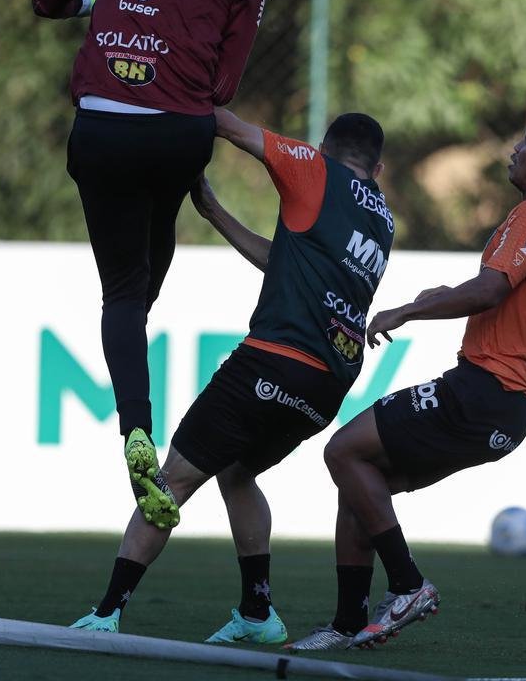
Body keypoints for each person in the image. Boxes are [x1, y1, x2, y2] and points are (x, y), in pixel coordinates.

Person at [70, 106, 395, 643]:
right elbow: (286, 262)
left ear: (322, 148)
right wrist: (216, 213)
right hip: (328, 384)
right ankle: (257, 612)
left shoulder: (313, 169)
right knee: (237, 471)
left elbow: (227, 124)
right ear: (378, 170)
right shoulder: (382, 220)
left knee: (172, 478)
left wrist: (167, 85)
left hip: (274, 360)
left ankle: (106, 614)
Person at [287, 108, 526, 650]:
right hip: (506, 407)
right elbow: (509, 297)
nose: (514, 148)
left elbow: (489, 291)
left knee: (342, 451)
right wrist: (440, 297)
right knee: (362, 488)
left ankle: (408, 585)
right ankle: (348, 622)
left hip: (480, 393)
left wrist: (406, 311)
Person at [31, 0, 271, 525]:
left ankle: (135, 428)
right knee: (149, 259)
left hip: (102, 128)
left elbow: (46, 1)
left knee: (120, 292)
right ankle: (139, 370)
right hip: (177, 136)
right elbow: (223, 90)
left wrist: (101, 9)